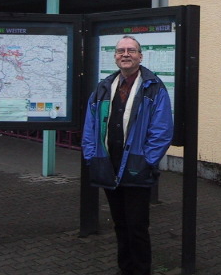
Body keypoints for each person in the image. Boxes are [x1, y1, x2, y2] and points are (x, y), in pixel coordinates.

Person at [81, 35, 173, 275]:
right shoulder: (104, 87)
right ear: (115, 56)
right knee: (120, 224)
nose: (125, 54)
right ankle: (125, 269)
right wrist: (92, 157)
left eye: (131, 50)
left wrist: (146, 161)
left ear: (140, 56)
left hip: (136, 167)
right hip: (108, 166)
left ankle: (141, 271)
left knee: (137, 226)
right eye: (121, 50)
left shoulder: (153, 87)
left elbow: (162, 131)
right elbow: (90, 127)